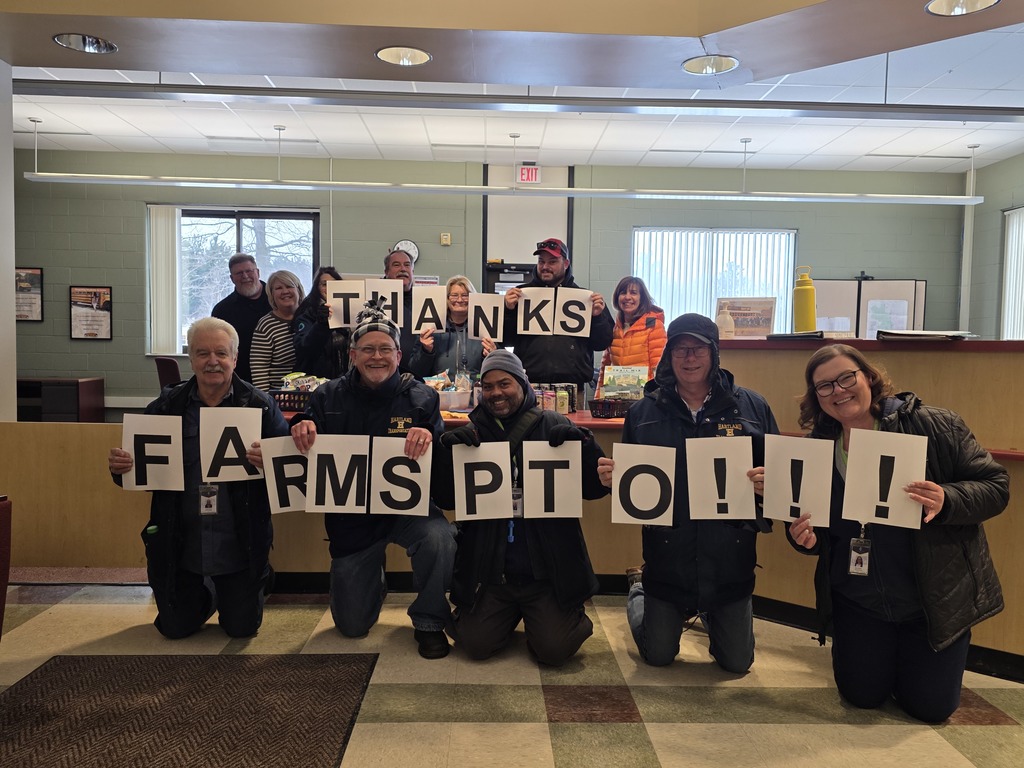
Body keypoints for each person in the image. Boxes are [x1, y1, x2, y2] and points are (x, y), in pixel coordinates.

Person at [782, 343, 1008, 722]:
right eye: (824, 386)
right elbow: (816, 528)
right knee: (862, 697)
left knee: (931, 709)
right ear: (816, 397)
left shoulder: (934, 424)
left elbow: (996, 486)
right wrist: (805, 538)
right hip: (860, 601)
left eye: (846, 378)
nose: (838, 391)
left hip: (930, 602)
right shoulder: (818, 447)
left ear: (869, 378)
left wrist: (947, 499)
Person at [597, 313, 776, 672]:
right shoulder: (643, 413)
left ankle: (715, 613)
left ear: (714, 354)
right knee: (658, 655)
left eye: (697, 349)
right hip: (668, 559)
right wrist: (616, 480)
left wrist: (769, 483)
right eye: (679, 349)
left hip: (729, 561)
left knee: (738, 663)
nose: (688, 357)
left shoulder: (751, 407)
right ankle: (638, 590)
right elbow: (635, 487)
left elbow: (779, 480)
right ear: (668, 355)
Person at [289, 299, 456, 659]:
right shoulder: (326, 395)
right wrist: (299, 426)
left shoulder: (423, 397)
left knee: (440, 538)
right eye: (367, 348)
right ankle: (370, 582)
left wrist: (429, 437)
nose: (376, 356)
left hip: (406, 509)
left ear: (399, 354)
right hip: (352, 517)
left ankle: (429, 621)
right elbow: (302, 433)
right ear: (352, 354)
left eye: (385, 349)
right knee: (351, 627)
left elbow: (441, 466)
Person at [107, 317, 288, 639]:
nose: (212, 362)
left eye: (221, 353)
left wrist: (272, 460)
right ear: (190, 358)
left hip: (239, 541)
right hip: (181, 542)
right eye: (202, 353)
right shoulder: (165, 406)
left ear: (235, 356)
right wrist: (120, 468)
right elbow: (136, 473)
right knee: (174, 630)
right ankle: (200, 593)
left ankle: (251, 583)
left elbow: (290, 472)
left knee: (242, 630)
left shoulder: (261, 407)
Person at [433, 350, 609, 665]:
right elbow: (447, 501)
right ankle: (504, 613)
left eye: (505, 383)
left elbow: (595, 490)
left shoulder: (555, 423)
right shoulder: (471, 433)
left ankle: (563, 612)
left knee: (555, 651)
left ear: (523, 384)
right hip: (494, 570)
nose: (496, 393)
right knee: (475, 646)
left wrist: (586, 446)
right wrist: (446, 456)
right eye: (488, 386)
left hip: (544, 570)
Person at [502, 238, 613, 390]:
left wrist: (597, 318)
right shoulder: (520, 295)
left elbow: (602, 343)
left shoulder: (586, 298)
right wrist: (508, 311)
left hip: (573, 387)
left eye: (552, 261)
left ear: (566, 264)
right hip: (529, 386)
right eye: (541, 261)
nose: (545, 266)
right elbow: (505, 340)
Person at [407, 275, 496, 382]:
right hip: (439, 394)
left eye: (465, 295)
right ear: (447, 298)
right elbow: (416, 371)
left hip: (475, 395)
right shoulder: (431, 329)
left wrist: (492, 355)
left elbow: (495, 371)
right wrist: (426, 351)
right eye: (454, 295)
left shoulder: (484, 330)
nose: (459, 300)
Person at [597, 275, 667, 392]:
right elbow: (604, 369)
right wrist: (598, 397)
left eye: (633, 293)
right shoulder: (614, 329)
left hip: (645, 399)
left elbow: (659, 369)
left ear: (642, 298)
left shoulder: (654, 326)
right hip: (616, 399)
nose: (627, 297)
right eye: (623, 293)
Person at [211, 253, 272, 384]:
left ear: (258, 272)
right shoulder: (222, 310)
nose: (245, 276)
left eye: (249, 271)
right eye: (239, 273)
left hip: (281, 379)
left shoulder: (278, 299)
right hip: (240, 380)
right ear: (232, 278)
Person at [250, 269, 306, 391]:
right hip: (281, 397)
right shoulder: (266, 325)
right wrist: (267, 402)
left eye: (289, 286)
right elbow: (259, 368)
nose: (285, 291)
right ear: (272, 294)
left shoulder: (313, 319)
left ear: (299, 290)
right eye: (278, 288)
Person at [293, 266, 350, 380]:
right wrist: (321, 324)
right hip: (314, 383)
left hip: (343, 382)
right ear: (316, 288)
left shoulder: (349, 313)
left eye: (334, 284)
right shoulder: (306, 314)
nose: (329, 288)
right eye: (324, 284)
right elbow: (304, 348)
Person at [383, 248, 418, 376]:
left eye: (407, 265)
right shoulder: (374, 301)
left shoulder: (425, 301)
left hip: (417, 374)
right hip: (384, 373)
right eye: (396, 265)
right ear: (386, 272)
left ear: (412, 271)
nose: (403, 269)